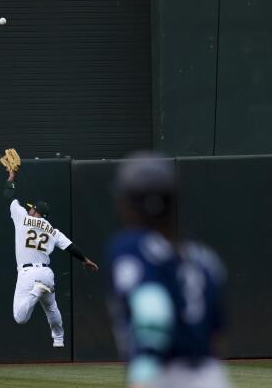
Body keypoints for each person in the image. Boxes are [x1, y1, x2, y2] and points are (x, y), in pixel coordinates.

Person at [107, 153, 231, 388]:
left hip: (163, 375)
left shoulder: (131, 246)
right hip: (212, 376)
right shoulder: (205, 258)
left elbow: (152, 309)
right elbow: (217, 336)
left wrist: (143, 373)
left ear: (128, 202)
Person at [3, 167, 99, 347]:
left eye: (32, 209)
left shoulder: (22, 217)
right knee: (51, 308)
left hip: (27, 273)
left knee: (20, 317)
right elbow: (71, 247)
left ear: (34, 212)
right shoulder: (53, 231)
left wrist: (11, 176)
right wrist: (85, 260)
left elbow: (8, 195)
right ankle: (59, 339)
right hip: (46, 274)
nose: (30, 210)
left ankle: (35, 293)